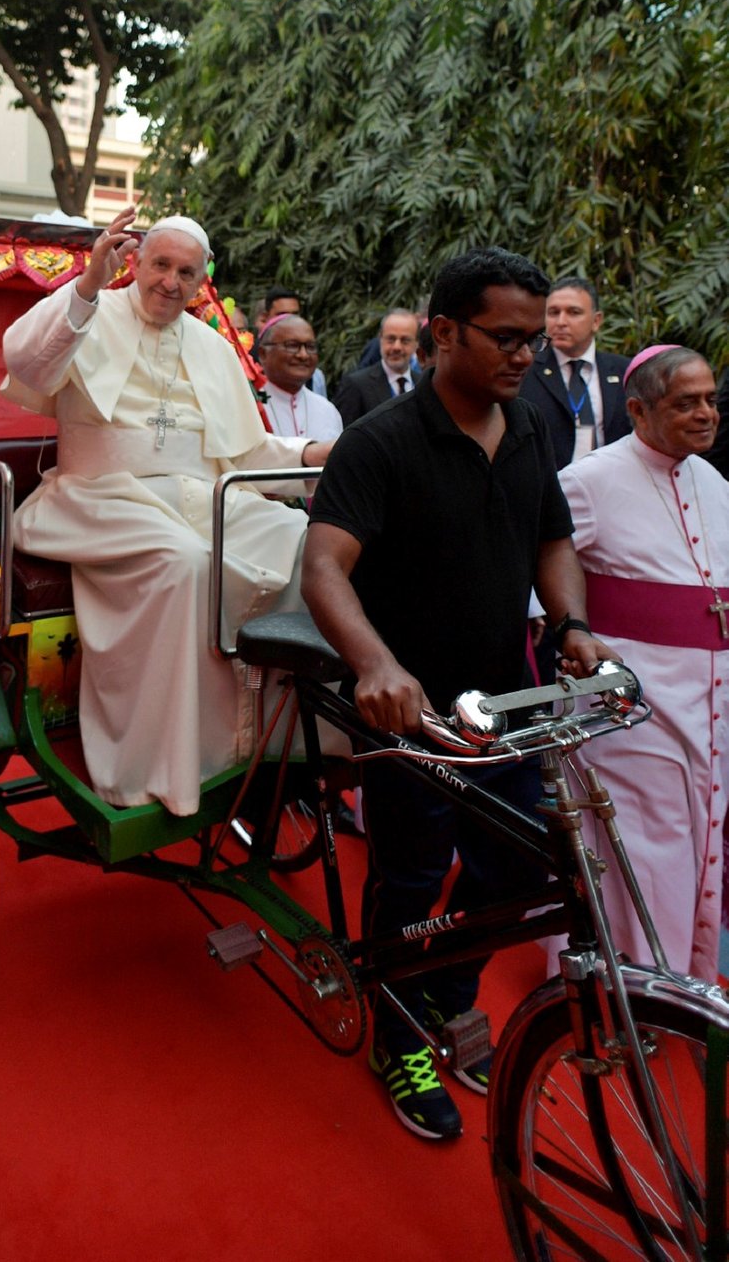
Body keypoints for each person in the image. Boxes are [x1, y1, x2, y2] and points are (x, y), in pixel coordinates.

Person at [302, 246, 610, 1142]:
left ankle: (446, 993)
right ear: (443, 333)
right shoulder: (381, 443)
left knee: (514, 860)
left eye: (531, 337)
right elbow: (323, 567)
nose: (525, 354)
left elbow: (552, 535)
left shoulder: (529, 428)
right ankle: (395, 1032)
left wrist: (571, 625)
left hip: (505, 697)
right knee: (406, 874)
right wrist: (374, 665)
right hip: (411, 711)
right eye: (505, 337)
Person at [2, 209, 333, 817]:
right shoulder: (88, 312)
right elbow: (27, 364)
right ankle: (156, 765)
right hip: (101, 494)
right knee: (182, 561)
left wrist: (317, 453)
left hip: (198, 496)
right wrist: (85, 285)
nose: (171, 282)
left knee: (303, 542)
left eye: (187, 272)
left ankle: (269, 742)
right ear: (136, 262)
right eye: (161, 265)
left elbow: (247, 451)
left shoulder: (210, 347)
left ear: (201, 280)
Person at [555, 344, 728, 981]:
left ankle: (685, 978)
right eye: (686, 403)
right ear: (637, 410)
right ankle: (627, 989)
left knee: (697, 843)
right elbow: (544, 582)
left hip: (709, 701)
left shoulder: (712, 480)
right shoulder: (588, 479)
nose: (706, 414)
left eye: (710, 400)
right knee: (644, 851)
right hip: (629, 708)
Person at [519, 277, 630, 468]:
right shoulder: (524, 369)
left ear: (596, 321)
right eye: (553, 313)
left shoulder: (624, 371)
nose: (561, 322)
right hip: (551, 488)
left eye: (573, 312)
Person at [258, 314, 343, 439]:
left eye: (310, 347)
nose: (303, 355)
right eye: (292, 345)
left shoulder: (328, 410)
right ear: (263, 354)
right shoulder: (250, 405)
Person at [333, 310, 420, 426]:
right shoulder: (356, 385)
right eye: (391, 339)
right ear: (380, 339)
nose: (397, 347)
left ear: (416, 344)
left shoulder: (424, 383)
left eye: (405, 340)